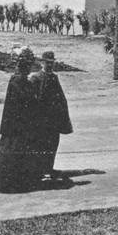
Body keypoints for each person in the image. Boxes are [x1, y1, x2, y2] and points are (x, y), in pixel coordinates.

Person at [0, 48, 43, 192]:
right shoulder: (19, 80)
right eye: (29, 65)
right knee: (15, 151)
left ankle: (12, 181)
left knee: (13, 150)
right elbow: (25, 99)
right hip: (17, 124)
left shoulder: (19, 79)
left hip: (16, 123)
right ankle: (11, 182)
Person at [31, 50, 73, 180]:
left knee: (52, 145)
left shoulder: (54, 77)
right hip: (41, 120)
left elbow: (61, 98)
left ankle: (49, 168)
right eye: (47, 63)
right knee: (41, 145)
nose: (50, 65)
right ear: (42, 63)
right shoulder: (36, 78)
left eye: (51, 63)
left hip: (53, 120)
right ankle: (40, 171)